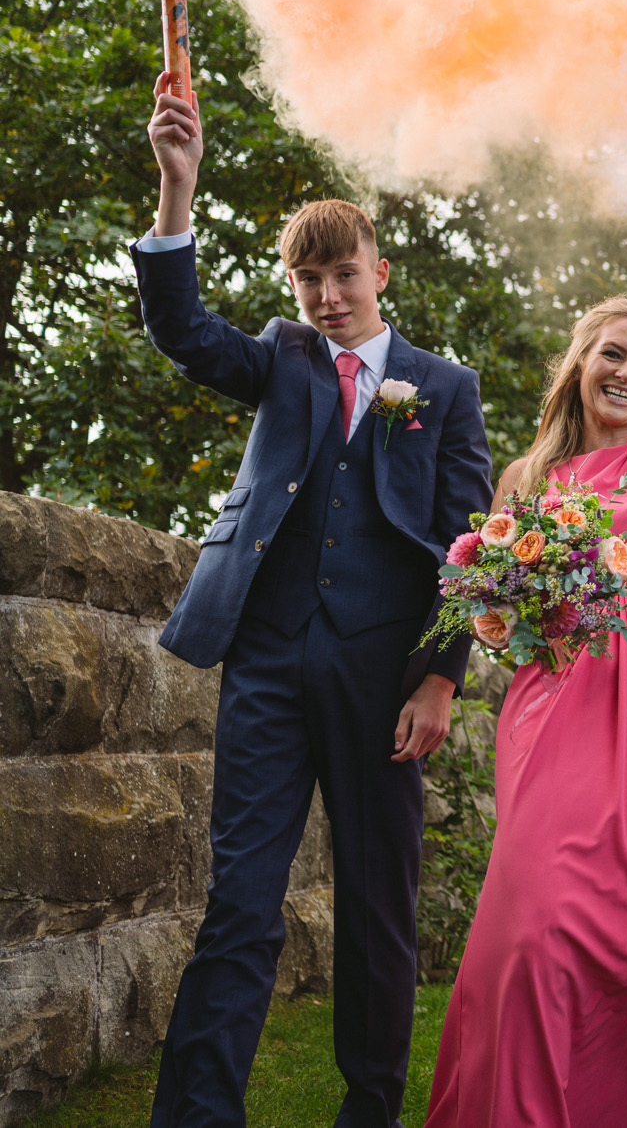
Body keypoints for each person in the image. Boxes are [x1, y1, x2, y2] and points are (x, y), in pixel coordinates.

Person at [133, 71, 492, 1128]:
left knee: (378, 906)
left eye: (341, 275)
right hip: (267, 663)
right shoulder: (282, 359)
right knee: (239, 901)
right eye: (307, 282)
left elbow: (466, 547)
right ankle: (199, 1113)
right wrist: (176, 186)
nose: (327, 297)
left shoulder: (444, 385)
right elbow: (182, 328)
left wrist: (438, 675)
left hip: (386, 674)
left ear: (379, 269)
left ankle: (369, 1108)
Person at [424, 112, 627, 1126]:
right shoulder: (528, 476)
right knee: (529, 935)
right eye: (615, 355)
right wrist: (507, 618)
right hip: (556, 707)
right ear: (581, 360)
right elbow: (494, 614)